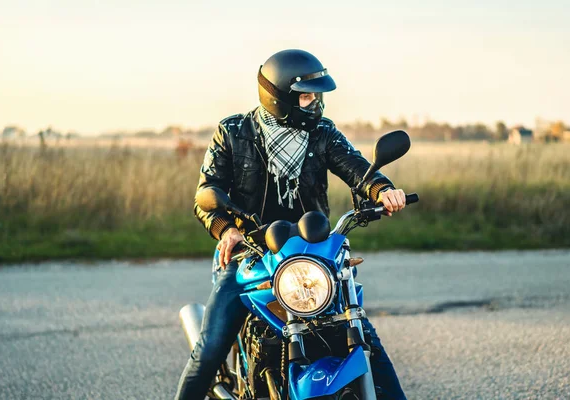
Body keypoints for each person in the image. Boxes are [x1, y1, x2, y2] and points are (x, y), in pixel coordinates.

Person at [175, 49, 408, 400]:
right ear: (279, 98)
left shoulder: (322, 133)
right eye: (306, 96)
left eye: (317, 95)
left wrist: (382, 190)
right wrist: (228, 230)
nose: (315, 103)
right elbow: (206, 194)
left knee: (361, 334)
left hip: (310, 251)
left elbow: (357, 168)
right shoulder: (234, 132)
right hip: (249, 254)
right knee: (208, 351)